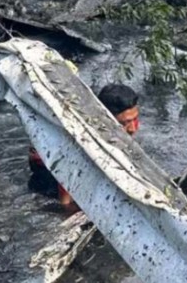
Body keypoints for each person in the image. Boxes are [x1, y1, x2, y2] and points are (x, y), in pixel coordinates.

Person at [29, 84, 140, 213]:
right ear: (105, 120)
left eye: (135, 119)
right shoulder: (80, 146)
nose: (133, 128)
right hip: (49, 180)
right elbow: (66, 203)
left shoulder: (127, 127)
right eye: (123, 123)